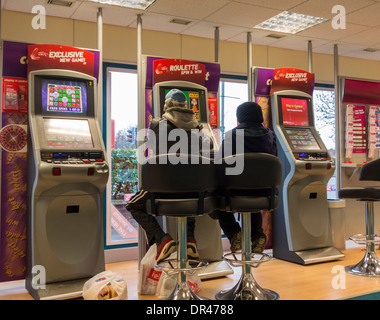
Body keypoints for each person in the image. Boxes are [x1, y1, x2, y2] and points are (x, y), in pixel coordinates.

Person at [126, 88, 212, 263]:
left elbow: (150, 149)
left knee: (133, 206)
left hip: (163, 190)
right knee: (191, 191)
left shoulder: (157, 124)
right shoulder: (198, 128)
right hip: (194, 192)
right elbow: (209, 149)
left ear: (167, 105)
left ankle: (162, 239)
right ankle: (189, 239)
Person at [214, 101, 277, 253]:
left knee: (215, 198)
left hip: (236, 195)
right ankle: (257, 234)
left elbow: (219, 165)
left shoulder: (231, 135)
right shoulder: (270, 136)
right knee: (252, 196)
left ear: (240, 117)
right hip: (266, 195)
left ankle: (234, 233)